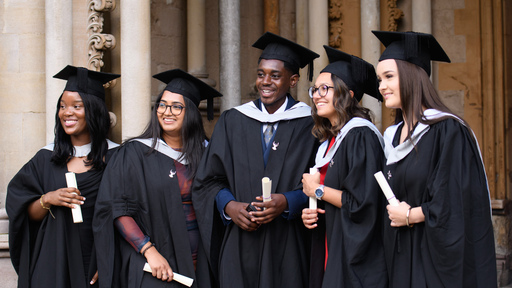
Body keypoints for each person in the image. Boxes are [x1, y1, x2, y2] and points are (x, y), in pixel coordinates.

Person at [192, 32, 320, 288]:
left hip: (289, 244)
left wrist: (287, 202)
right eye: (261, 74)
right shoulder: (233, 121)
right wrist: (230, 207)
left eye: (275, 75)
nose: (265, 81)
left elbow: (325, 182)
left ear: (293, 80)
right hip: (239, 244)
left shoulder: (312, 125)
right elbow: (208, 181)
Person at [373, 30, 497, 287]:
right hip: (399, 257)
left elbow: (455, 203)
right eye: (378, 79)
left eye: (388, 77)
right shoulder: (393, 137)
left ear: (411, 76)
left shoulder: (447, 131)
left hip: (432, 262)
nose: (381, 86)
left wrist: (409, 215)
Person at [93, 69, 222, 288]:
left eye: (176, 106)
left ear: (190, 112)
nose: (166, 112)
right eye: (162, 104)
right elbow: (117, 208)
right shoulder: (134, 153)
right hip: (153, 264)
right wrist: (149, 251)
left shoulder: (208, 154)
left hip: (201, 261)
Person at [6, 65, 120, 288]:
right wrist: (48, 199)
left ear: (94, 110)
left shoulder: (117, 158)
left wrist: (110, 259)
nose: (67, 112)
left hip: (96, 259)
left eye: (76, 106)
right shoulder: (45, 159)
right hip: (53, 261)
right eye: (62, 106)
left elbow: (129, 215)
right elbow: (22, 211)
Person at [301, 45, 388, 288]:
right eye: (315, 89)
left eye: (324, 89)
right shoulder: (328, 142)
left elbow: (362, 203)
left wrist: (317, 191)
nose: (317, 95)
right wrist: (312, 210)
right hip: (332, 243)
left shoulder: (361, 136)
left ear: (347, 94)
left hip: (356, 257)